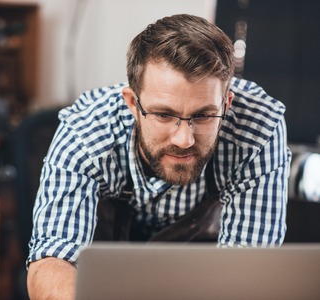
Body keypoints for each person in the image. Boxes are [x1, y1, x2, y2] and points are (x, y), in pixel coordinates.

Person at [27, 14, 291, 299]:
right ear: (132, 103)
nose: (184, 139)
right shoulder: (87, 132)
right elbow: (52, 261)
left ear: (226, 104)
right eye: (164, 115)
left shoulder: (257, 128)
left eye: (203, 115)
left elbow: (246, 275)